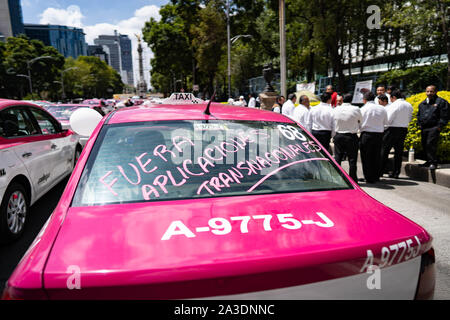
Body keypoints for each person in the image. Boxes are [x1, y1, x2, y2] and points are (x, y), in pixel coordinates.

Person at [380, 90, 413, 178]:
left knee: (384, 151)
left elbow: (389, 119)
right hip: (403, 129)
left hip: (392, 130)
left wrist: (384, 127)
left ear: (393, 97)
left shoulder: (394, 105)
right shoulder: (409, 105)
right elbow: (410, 118)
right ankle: (396, 172)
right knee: (398, 152)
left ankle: (381, 171)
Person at [417, 85, 449, 170]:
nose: (429, 93)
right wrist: (419, 124)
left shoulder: (441, 102)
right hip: (424, 128)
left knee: (430, 144)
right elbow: (419, 114)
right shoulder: (423, 103)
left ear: (435, 92)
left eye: (431, 91)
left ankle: (433, 163)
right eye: (427, 91)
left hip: (434, 127)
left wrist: (440, 126)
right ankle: (428, 161)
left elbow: (445, 115)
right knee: (424, 144)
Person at [332, 93, 362, 182]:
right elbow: (360, 121)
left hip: (339, 135)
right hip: (351, 136)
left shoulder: (336, 109)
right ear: (351, 100)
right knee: (352, 159)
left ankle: (336, 177)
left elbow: (333, 121)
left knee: (338, 157)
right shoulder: (356, 109)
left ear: (342, 100)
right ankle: (353, 178)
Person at [359, 91, 388, 183]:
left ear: (364, 100)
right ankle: (376, 176)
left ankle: (368, 177)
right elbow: (386, 123)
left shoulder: (362, 109)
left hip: (366, 134)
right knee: (376, 156)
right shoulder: (382, 109)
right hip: (379, 135)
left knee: (366, 157)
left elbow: (359, 123)